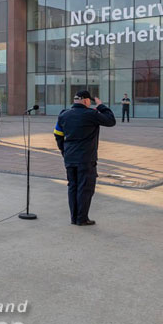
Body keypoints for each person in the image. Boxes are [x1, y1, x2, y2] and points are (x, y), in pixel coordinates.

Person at [53, 90, 116, 226]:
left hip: (70, 157)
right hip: (86, 159)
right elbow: (111, 120)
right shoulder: (91, 114)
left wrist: (65, 151)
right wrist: (101, 106)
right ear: (87, 101)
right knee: (85, 188)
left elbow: (58, 134)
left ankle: (74, 217)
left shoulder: (64, 115)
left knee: (73, 186)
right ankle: (82, 218)